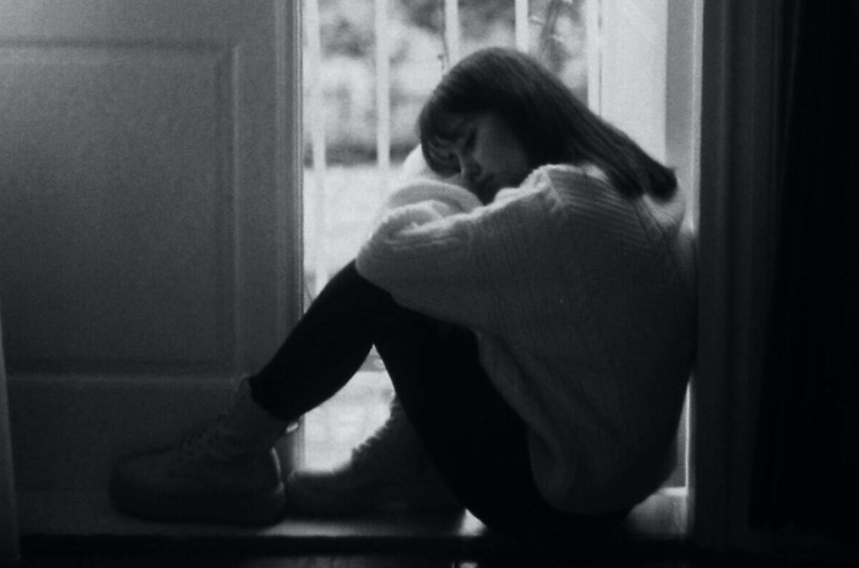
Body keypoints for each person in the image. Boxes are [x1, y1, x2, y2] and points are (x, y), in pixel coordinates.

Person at [110, 47, 697, 536]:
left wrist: (429, 173)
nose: (469, 169)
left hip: (552, 501)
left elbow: (385, 255)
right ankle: (412, 464)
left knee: (379, 288)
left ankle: (231, 455)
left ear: (520, 104)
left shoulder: (558, 209)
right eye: (455, 160)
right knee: (448, 283)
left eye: (469, 140)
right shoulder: (629, 181)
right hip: (610, 486)